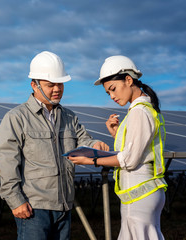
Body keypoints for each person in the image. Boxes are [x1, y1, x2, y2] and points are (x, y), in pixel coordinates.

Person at [0, 51, 109, 240]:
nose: (57, 89)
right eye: (51, 85)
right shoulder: (17, 118)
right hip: (34, 207)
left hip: (64, 206)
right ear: (34, 84)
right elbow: (7, 162)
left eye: (60, 83)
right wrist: (16, 201)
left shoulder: (69, 117)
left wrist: (95, 144)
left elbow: (83, 140)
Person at [68, 55, 167, 239]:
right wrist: (115, 134)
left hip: (139, 194)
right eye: (108, 93)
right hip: (146, 191)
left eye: (113, 89)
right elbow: (137, 150)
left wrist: (90, 160)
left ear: (128, 80)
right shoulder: (146, 109)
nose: (112, 96)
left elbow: (129, 159)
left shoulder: (138, 112)